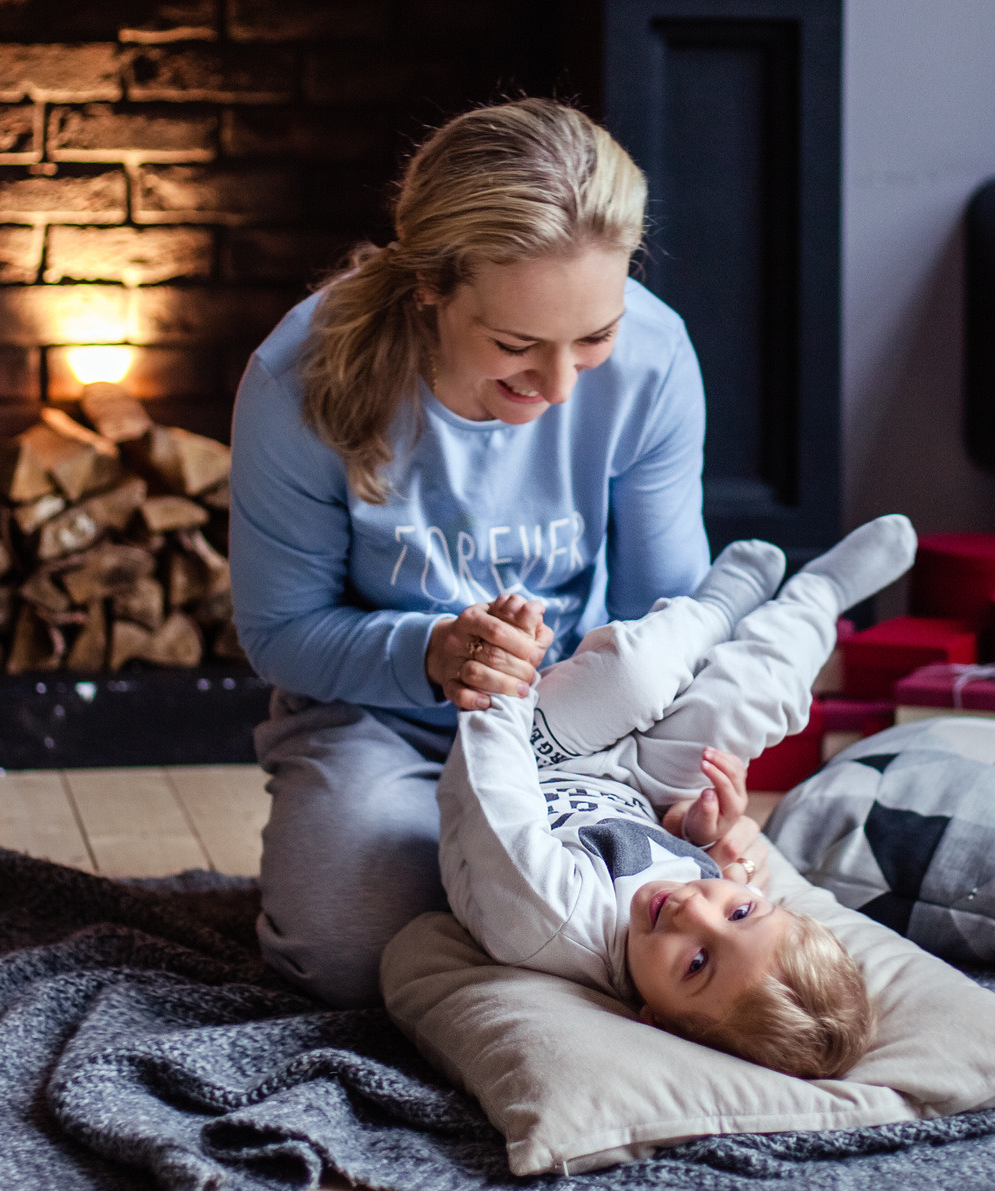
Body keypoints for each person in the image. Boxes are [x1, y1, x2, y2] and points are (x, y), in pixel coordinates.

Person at [228, 100, 709, 1006]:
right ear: (430, 288)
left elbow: (669, 607)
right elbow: (280, 628)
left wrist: (682, 766)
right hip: (377, 718)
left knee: (675, 923)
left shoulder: (657, 360)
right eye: (516, 345)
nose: (561, 386)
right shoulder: (299, 378)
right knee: (340, 947)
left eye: (594, 338)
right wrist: (431, 653)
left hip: (580, 728)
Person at [436, 516, 915, 1076]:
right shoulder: (682, 907)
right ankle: (818, 595)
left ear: (657, 1024)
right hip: (632, 785)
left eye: (696, 964)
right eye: (740, 912)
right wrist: (698, 833)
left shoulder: (556, 917)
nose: (695, 910)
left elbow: (496, 799)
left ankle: (718, 606)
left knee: (634, 673)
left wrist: (501, 679)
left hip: (531, 759)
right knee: (755, 702)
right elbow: (676, 854)